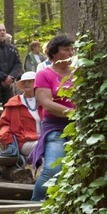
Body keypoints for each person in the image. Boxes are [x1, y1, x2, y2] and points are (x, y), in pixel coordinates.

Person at [30, 34, 75, 201]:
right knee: (53, 170)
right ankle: (34, 208)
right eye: (66, 50)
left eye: (72, 49)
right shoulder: (44, 74)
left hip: (82, 128)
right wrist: (74, 113)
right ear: (54, 53)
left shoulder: (80, 72)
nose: (71, 53)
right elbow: (47, 104)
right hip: (56, 128)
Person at [0, 72, 41, 157]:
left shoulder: (43, 100)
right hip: (24, 142)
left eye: (29, 81)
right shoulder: (14, 102)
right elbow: (3, 125)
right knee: (46, 146)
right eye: (24, 82)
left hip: (44, 138)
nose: (26, 84)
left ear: (35, 83)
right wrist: (8, 140)